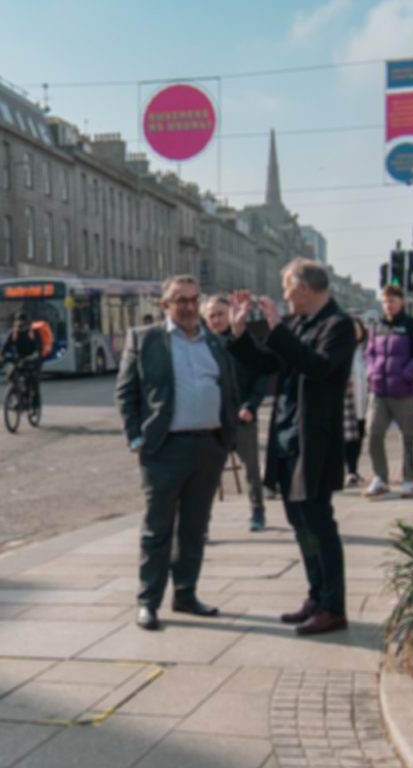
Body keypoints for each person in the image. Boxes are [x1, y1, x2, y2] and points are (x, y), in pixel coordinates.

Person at [226, 259, 356, 637]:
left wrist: (278, 329)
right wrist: (239, 334)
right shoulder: (299, 325)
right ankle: (316, 595)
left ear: (304, 288)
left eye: (287, 288)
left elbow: (318, 367)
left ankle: (334, 606)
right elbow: (270, 363)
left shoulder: (339, 325)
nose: (284, 296)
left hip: (313, 441)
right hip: (286, 437)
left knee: (319, 523)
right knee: (300, 524)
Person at [114, 275, 239, 631]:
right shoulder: (146, 339)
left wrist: (226, 437)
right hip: (164, 448)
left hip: (208, 446)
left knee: (195, 527)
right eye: (180, 300)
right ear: (165, 305)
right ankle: (147, 601)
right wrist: (135, 438)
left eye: (193, 299)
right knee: (158, 528)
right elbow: (126, 393)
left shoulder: (213, 343)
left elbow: (229, 387)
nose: (188, 306)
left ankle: (186, 594)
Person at [203, 295, 271, 532]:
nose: (216, 319)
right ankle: (203, 523)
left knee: (251, 469)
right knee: (206, 474)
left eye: (221, 314)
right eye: (211, 315)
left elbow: (262, 375)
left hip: (242, 416)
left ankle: (258, 513)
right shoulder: (201, 344)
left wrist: (251, 405)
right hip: (212, 420)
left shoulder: (242, 340)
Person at [362, 285, 413, 498]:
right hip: (379, 390)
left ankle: (409, 480)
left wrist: (407, 373)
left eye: (392, 300)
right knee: (373, 432)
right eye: (385, 301)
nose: (388, 305)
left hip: (405, 391)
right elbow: (370, 353)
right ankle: (380, 478)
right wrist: (371, 372)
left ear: (401, 301)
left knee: (408, 435)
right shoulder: (377, 326)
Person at [342, 318, 370, 488]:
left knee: (360, 435)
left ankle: (354, 469)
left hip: (365, 399)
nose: (355, 333)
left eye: (357, 329)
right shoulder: (343, 350)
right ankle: (350, 471)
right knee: (349, 438)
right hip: (348, 401)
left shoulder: (366, 349)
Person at [0, 313, 43, 406]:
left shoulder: (33, 332)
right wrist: (0, 356)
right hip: (19, 359)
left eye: (22, 321)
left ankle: (35, 399)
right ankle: (16, 396)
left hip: (33, 359)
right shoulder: (13, 333)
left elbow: (39, 347)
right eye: (18, 321)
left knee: (33, 378)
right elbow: (4, 346)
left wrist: (36, 355)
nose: (20, 324)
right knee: (11, 376)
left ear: (27, 322)